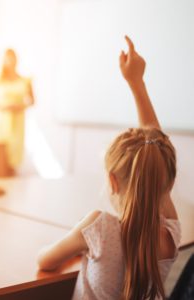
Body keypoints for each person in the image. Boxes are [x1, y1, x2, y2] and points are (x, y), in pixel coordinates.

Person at [37, 36, 180, 300]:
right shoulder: (170, 234)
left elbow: (45, 260)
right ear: (168, 184)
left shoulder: (99, 228)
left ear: (112, 181)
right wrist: (137, 83)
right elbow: (154, 147)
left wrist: (82, 234)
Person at [0, 49, 35, 173]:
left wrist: (20, 106)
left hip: (17, 122)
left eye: (12, 57)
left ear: (16, 59)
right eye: (7, 58)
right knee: (0, 154)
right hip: (2, 122)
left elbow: (32, 101)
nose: (10, 61)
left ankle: (11, 175)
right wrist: (3, 107)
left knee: (13, 155)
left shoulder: (25, 80)